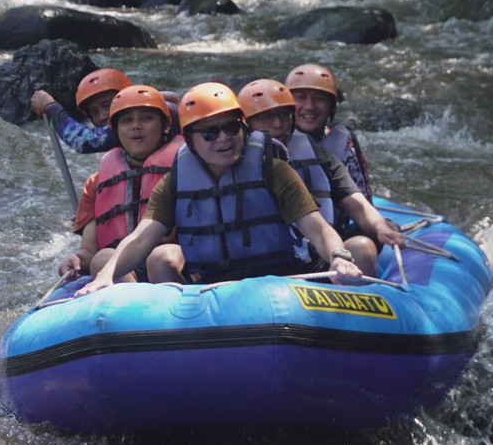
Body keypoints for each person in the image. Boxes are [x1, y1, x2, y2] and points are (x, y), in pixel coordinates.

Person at [76, 82, 363, 296]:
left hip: (282, 277)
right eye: (210, 133)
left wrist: (339, 256)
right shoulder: (175, 182)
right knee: (157, 259)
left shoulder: (273, 170)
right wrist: (107, 274)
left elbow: (316, 226)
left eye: (230, 128)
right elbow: (141, 238)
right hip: (216, 282)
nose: (224, 139)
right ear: (189, 140)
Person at [238, 78, 403, 277]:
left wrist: (379, 226)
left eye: (284, 115)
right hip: (251, 270)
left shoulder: (314, 153)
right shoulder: (228, 161)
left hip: (311, 259)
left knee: (362, 247)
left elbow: (355, 202)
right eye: (265, 117)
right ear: (246, 124)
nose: (278, 124)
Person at [59, 85, 184, 282]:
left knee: (161, 258)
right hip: (124, 269)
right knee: (102, 259)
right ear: (116, 131)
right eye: (127, 120)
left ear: (165, 126)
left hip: (174, 260)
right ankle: (134, 310)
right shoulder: (96, 183)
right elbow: (89, 252)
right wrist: (76, 259)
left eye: (146, 118)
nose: (136, 126)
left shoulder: (186, 166)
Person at [284, 63, 373, 199]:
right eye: (301, 97)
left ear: (331, 106)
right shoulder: (276, 145)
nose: (310, 106)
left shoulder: (346, 147)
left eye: (319, 99)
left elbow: (364, 198)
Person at [31, 68, 131, 154]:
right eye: (95, 112)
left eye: (107, 105)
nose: (102, 116)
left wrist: (50, 107)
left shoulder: (136, 126)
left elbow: (82, 140)